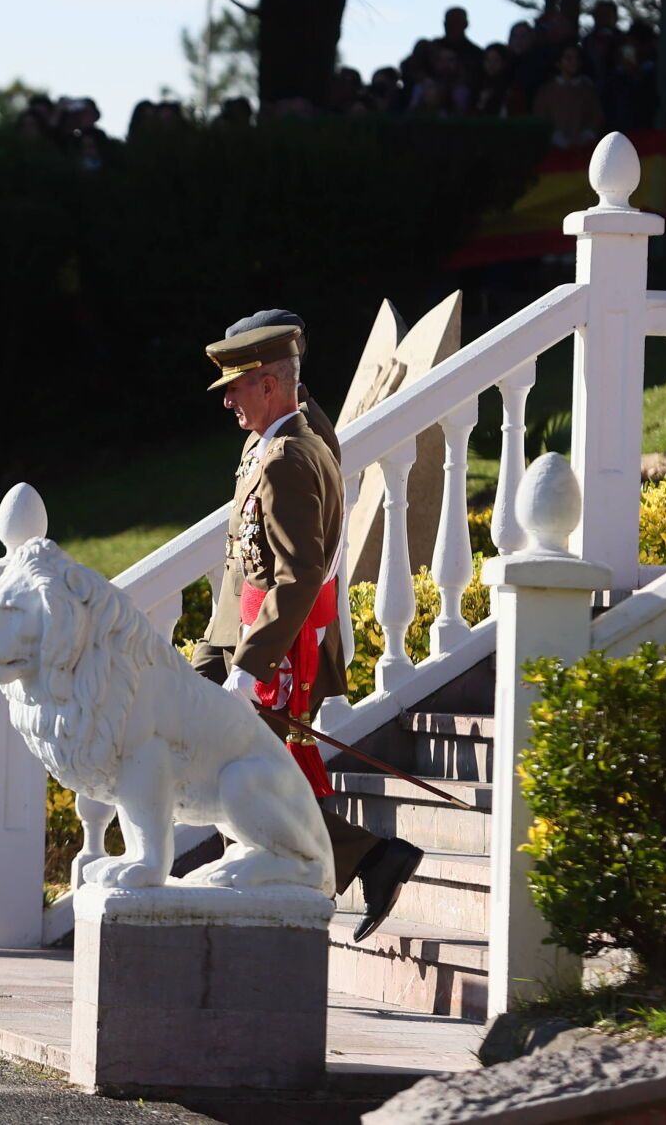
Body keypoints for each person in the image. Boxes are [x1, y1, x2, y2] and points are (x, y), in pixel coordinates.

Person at [190, 313, 423, 942]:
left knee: (257, 770)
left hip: (274, 646)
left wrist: (246, 669)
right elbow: (251, 559)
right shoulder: (278, 438)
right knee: (254, 765)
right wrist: (216, 654)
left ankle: (364, 858)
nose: (229, 401)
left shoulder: (291, 456)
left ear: (270, 385)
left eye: (238, 388)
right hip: (241, 632)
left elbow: (296, 575)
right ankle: (367, 860)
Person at [533, 44, 604, 147]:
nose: (574, 62)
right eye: (568, 58)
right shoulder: (546, 91)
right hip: (554, 151)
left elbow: (597, 116)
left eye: (576, 58)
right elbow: (540, 117)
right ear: (558, 62)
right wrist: (554, 136)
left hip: (584, 150)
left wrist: (588, 134)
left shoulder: (588, 90)